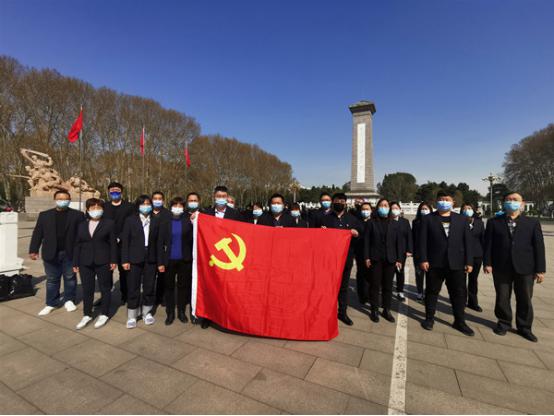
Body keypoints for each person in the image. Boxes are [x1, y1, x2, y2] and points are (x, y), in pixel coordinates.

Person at [484, 192, 546, 342]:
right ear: (504, 203)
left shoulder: (532, 222)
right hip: (501, 266)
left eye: (515, 200)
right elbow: (488, 244)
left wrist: (540, 269)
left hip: (525, 267)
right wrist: (487, 263)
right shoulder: (494, 222)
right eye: (508, 200)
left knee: (525, 298)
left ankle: (524, 327)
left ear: (522, 203)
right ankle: (504, 322)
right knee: (502, 297)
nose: (511, 202)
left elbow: (539, 246)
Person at [419, 190, 474, 336]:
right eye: (441, 199)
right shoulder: (428, 219)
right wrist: (423, 259)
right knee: (432, 292)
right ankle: (429, 318)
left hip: (456, 263)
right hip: (434, 263)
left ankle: (460, 321)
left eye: (447, 199)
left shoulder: (462, 219)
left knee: (459, 293)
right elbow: (422, 241)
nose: (444, 202)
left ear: (453, 202)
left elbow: (468, 242)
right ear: (436, 201)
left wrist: (469, 261)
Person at [29, 190, 85, 316]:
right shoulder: (45, 215)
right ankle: (51, 303)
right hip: (51, 252)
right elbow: (38, 233)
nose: (62, 201)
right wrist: (33, 249)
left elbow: (82, 234)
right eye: (60, 198)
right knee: (52, 279)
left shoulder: (78, 215)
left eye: (65, 199)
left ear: (69, 200)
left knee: (70, 278)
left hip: (70, 252)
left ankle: (69, 300)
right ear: (55, 199)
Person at [73, 198, 117, 329]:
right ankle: (87, 314)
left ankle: (104, 313)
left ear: (103, 210)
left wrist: (113, 260)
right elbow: (77, 244)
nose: (96, 210)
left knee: (105, 288)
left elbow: (113, 244)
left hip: (103, 261)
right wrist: (75, 262)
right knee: (87, 289)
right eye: (93, 208)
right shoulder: (82, 225)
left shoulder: (109, 223)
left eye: (99, 208)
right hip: (85, 261)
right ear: (87, 210)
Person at [320, 192, 364, 325]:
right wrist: (321, 233)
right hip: (329, 260)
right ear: (333, 202)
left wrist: (356, 234)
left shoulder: (352, 219)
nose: (339, 203)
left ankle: (342, 312)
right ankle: (328, 311)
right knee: (328, 287)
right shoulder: (325, 219)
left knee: (343, 287)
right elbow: (318, 240)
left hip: (346, 259)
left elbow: (360, 238)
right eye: (337, 201)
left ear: (345, 203)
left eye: (342, 201)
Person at [121, 195, 161, 328]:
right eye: (143, 204)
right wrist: (125, 260)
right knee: (133, 287)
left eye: (148, 204)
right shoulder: (130, 220)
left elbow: (159, 242)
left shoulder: (155, 220)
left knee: (149, 286)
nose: (146, 206)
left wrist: (160, 261)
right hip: (134, 258)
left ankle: (146, 312)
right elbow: (125, 241)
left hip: (151, 257)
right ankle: (132, 315)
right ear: (138, 206)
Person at [364, 199, 404, 322]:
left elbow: (399, 243)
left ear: (389, 208)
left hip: (390, 259)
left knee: (388, 286)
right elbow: (366, 241)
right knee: (375, 285)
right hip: (375, 259)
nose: (383, 207)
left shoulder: (395, 224)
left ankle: (386, 310)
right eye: (381, 205)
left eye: (386, 205)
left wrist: (399, 259)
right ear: (377, 207)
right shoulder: (371, 222)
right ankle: (374, 310)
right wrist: (366, 257)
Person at [158, 197, 194, 325]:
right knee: (169, 287)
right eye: (175, 205)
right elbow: (160, 243)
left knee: (183, 287)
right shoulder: (165, 222)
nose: (177, 208)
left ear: (184, 208)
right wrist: (160, 262)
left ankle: (181, 312)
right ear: (171, 207)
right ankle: (170, 313)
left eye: (180, 206)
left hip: (184, 260)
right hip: (169, 260)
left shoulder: (188, 222)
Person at [103, 182, 134, 304]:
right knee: (106, 272)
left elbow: (131, 223)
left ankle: (125, 296)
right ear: (109, 192)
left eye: (117, 190)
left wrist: (120, 237)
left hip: (123, 244)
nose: (114, 192)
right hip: (107, 244)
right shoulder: (104, 206)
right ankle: (105, 297)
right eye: (112, 190)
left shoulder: (129, 207)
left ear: (121, 192)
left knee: (124, 272)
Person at [461, 203, 485, 312]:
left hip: (477, 255)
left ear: (473, 210)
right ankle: (461, 301)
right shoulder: (458, 221)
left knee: (473, 280)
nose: (467, 210)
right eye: (465, 209)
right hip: (462, 255)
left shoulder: (479, 223)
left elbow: (483, 240)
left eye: (469, 208)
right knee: (461, 280)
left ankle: (473, 302)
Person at [389, 202, 413, 302]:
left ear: (400, 209)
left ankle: (400, 291)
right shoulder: (387, 221)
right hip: (389, 251)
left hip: (402, 251)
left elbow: (409, 236)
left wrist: (409, 250)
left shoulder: (405, 221)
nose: (394, 210)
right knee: (389, 272)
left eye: (396, 208)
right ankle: (387, 290)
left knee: (400, 271)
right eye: (392, 208)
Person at [152, 191, 171, 306]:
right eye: (155, 198)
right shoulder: (148, 212)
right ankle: (150, 296)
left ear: (163, 200)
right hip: (150, 247)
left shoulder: (167, 214)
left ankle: (160, 297)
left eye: (159, 198)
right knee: (150, 275)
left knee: (162, 275)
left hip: (163, 248)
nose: (157, 200)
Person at [412, 202, 432, 302]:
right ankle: (420, 292)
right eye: (422, 209)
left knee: (430, 276)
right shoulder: (416, 222)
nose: (424, 210)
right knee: (419, 274)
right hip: (418, 253)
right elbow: (413, 237)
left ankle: (429, 293)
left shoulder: (434, 221)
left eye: (426, 209)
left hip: (431, 253)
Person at [353, 202, 372, 304]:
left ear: (371, 210)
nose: (365, 211)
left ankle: (370, 294)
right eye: (363, 209)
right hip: (360, 252)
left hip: (372, 252)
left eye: (367, 209)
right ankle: (362, 295)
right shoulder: (356, 222)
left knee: (372, 274)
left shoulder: (374, 221)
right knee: (361, 274)